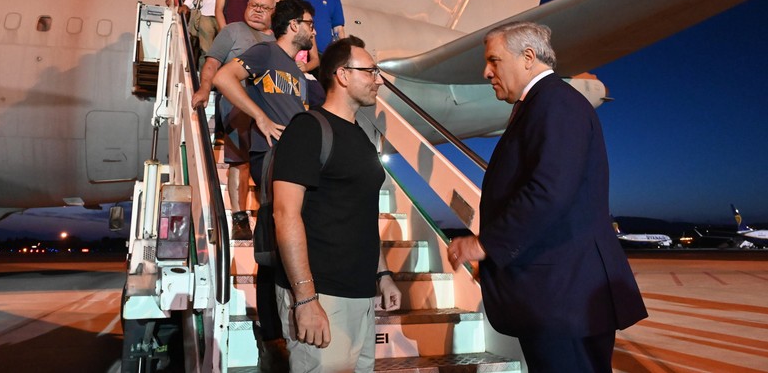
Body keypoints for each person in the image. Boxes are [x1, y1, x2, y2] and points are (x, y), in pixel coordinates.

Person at [447, 21, 647, 373]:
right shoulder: (541, 104)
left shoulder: (556, 103)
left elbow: (549, 190)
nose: (486, 71)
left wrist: (486, 245)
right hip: (560, 296)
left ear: (527, 57)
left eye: (494, 61)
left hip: (567, 299)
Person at [272, 36, 401, 372]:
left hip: (361, 295)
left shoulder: (361, 135)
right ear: (342, 75)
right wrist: (305, 298)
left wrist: (383, 273)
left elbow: (362, 213)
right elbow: (285, 214)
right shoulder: (308, 129)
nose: (377, 79)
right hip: (323, 296)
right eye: (370, 71)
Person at [213, 0, 315, 371]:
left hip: (292, 158)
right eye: (309, 23)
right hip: (271, 158)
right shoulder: (265, 53)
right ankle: (273, 336)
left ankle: (284, 325)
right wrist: (259, 117)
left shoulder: (296, 72)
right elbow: (224, 77)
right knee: (274, 243)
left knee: (289, 238)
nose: (313, 30)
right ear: (293, 27)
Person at [191, 0, 276, 241]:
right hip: (236, 103)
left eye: (265, 8)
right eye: (253, 5)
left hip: (269, 106)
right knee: (240, 160)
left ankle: (269, 215)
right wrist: (205, 88)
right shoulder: (232, 31)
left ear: (274, 13)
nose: (258, 10)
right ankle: (240, 218)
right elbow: (212, 63)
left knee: (271, 164)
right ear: (246, 7)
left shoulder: (277, 41)